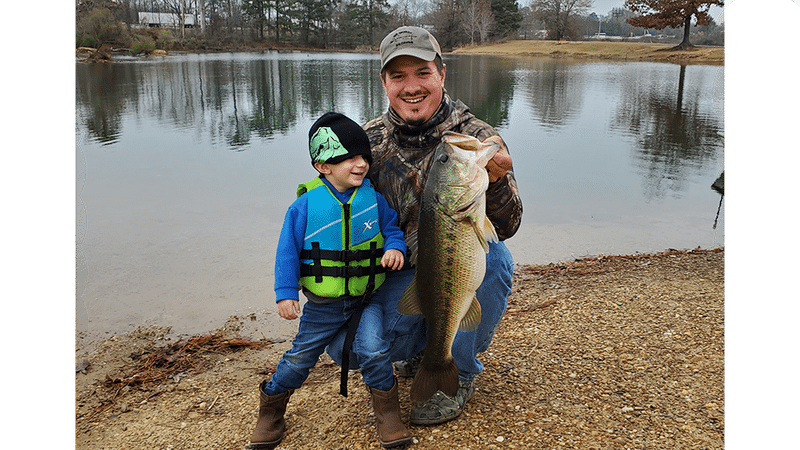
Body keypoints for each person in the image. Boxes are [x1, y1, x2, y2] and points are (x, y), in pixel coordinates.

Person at [325, 26, 523, 426]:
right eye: (398, 76)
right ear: (384, 82)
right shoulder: (366, 143)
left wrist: (497, 181)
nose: (411, 86)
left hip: (456, 264)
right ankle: (422, 350)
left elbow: (510, 223)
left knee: (496, 259)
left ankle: (459, 369)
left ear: (442, 74)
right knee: (344, 347)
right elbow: (344, 217)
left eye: (422, 72)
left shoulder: (477, 139)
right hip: (399, 275)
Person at [247, 112, 412, 449]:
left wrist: (394, 248)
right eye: (349, 157)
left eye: (364, 156)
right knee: (298, 359)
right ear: (323, 166)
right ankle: (271, 410)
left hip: (367, 298)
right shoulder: (305, 206)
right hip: (322, 306)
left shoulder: (374, 200)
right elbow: (287, 252)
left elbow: (393, 229)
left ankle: (388, 414)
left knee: (374, 349)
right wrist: (285, 292)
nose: (361, 164)